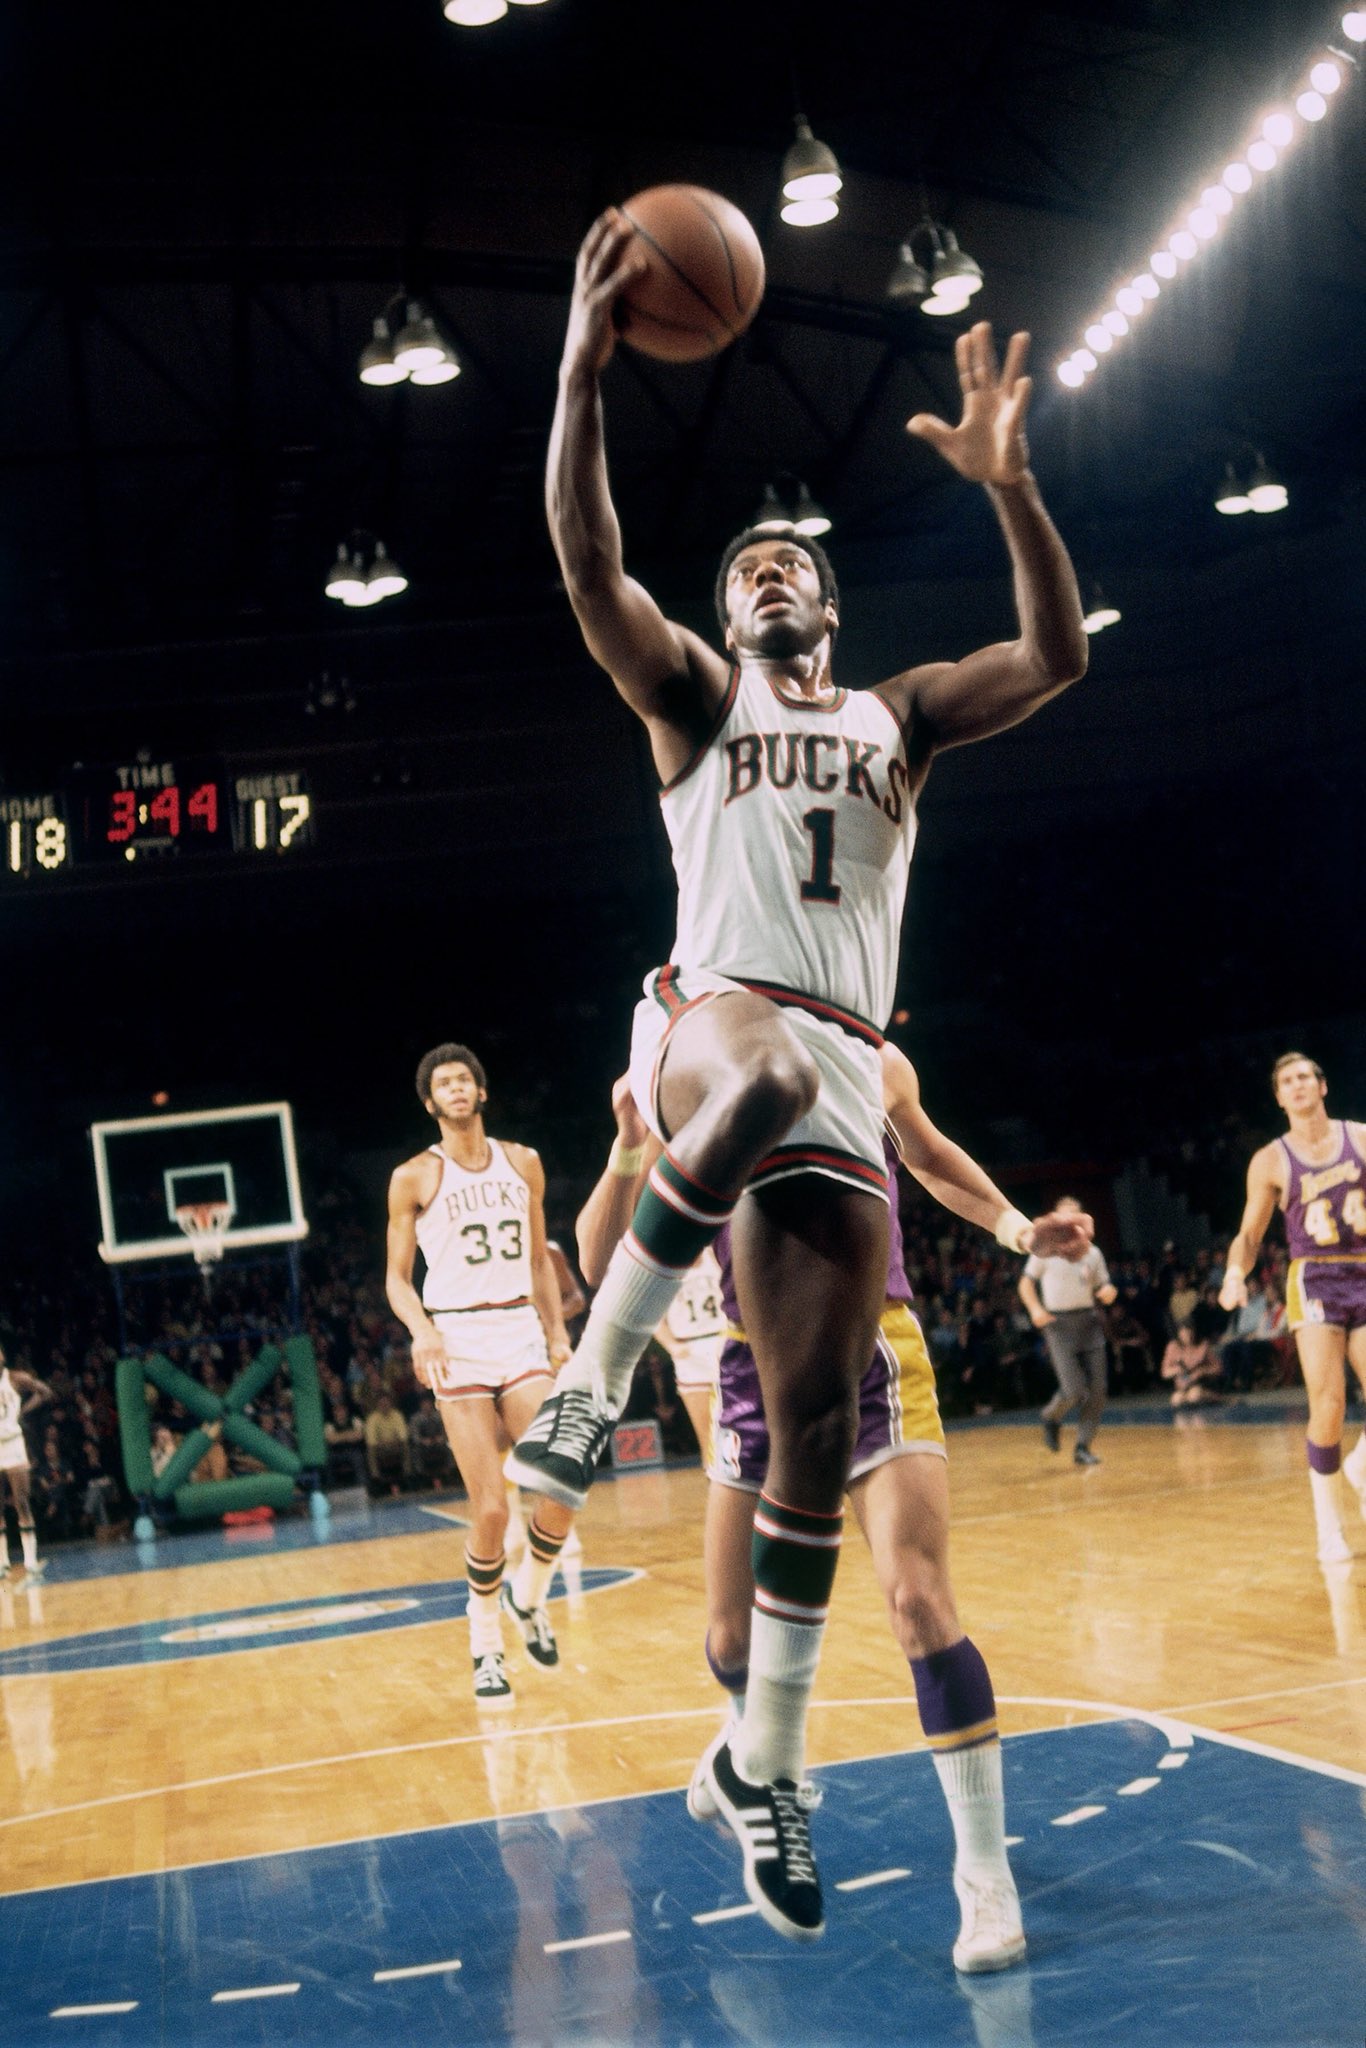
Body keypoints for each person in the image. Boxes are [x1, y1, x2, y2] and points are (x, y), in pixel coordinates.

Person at [508, 206, 1087, 1937]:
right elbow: (587, 564)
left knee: (816, 1448)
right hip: (718, 1024)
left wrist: (1007, 486)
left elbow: (1055, 657)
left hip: (841, 1083)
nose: (766, 570)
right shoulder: (692, 704)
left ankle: (761, 1762)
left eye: (791, 560)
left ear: (827, 597)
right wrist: (582, 365)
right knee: (748, 1061)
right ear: (728, 611)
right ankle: (586, 1393)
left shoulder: (894, 716)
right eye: (742, 562)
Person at [575, 1051, 1090, 1970]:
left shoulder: (870, 1054)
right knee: (732, 1642)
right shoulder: (699, 1062)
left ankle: (985, 1879)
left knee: (919, 1601)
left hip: (875, 1342)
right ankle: (749, 1750)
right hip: (751, 1360)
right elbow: (596, 1258)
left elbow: (928, 1155)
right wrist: (624, 1145)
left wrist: (1020, 1231)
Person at [386, 1042, 577, 1698]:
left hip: (520, 1330)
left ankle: (528, 1595)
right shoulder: (413, 1176)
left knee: (562, 1477)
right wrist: (422, 1332)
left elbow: (539, 1263)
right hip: (458, 1337)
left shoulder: (523, 1162)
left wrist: (556, 1332)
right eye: (445, 1083)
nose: (457, 1089)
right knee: (492, 1509)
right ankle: (484, 1640)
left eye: (466, 1079)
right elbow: (396, 1279)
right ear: (430, 1102)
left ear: (482, 1092)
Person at [1217, 1052, 1366, 1562]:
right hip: (1316, 1276)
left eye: (1305, 1076)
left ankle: (1362, 1466)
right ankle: (1330, 1526)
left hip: (1364, 1266)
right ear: (1280, 1098)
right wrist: (1236, 1275)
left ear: (1322, 1086)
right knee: (1329, 1406)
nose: (1298, 1085)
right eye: (1287, 1081)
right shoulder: (1271, 1159)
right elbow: (1250, 1234)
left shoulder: (1361, 1137)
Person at [1017, 1200, 1117, 1466]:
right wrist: (1035, 1309)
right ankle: (1051, 1416)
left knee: (1097, 1390)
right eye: (1065, 1214)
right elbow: (1026, 1283)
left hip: (1088, 1321)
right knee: (1073, 1389)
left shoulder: (1092, 1253)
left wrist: (1109, 1293)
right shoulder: (1045, 1251)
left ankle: (1083, 1446)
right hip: (1058, 1324)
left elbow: (1105, 1286)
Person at [651, 1247, 726, 1454]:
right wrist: (672, 1346)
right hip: (690, 1353)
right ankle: (713, 1479)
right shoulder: (663, 1270)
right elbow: (654, 1318)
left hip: (725, 1343)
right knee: (708, 1439)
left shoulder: (715, 1255)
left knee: (743, 1428)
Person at [0, 1345, 53, 1579]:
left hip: (13, 1443)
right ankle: (3, 1561)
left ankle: (29, 1559)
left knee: (21, 1500)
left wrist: (22, 1412)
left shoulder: (15, 1378)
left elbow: (45, 1392)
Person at [1160, 1322, 1224, 1407]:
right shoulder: (1173, 1347)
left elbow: (1218, 1368)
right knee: (1177, 1400)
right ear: (1178, 1334)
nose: (1188, 1336)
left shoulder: (1203, 1345)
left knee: (1194, 1396)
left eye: (1190, 1332)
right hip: (1183, 1385)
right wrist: (1177, 1370)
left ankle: (1215, 1397)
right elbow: (1165, 1373)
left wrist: (1202, 1371)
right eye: (1184, 1333)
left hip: (1203, 1382)